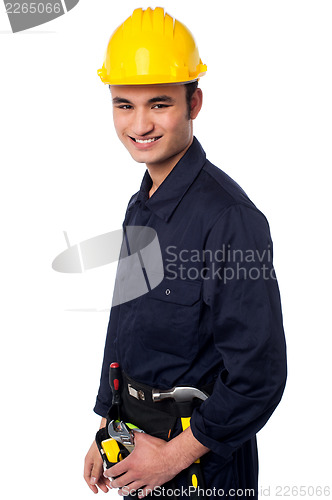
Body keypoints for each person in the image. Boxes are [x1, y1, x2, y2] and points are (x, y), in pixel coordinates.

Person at [84, 7, 287, 499]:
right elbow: (126, 327)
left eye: (159, 103)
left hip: (201, 464)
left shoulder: (230, 220)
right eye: (123, 105)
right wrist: (107, 424)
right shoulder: (141, 205)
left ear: (195, 102)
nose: (140, 124)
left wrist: (173, 456)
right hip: (133, 443)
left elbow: (259, 374)